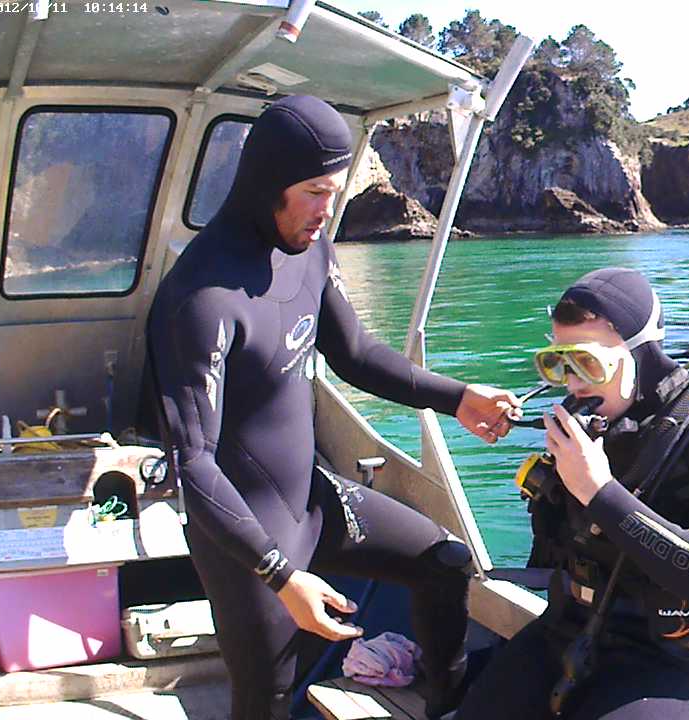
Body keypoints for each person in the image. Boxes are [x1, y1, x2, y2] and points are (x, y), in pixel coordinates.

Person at [147, 95, 517, 720]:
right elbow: (196, 463)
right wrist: (281, 576)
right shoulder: (201, 298)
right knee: (266, 700)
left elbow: (356, 354)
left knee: (445, 564)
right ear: (271, 185)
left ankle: (447, 706)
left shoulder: (311, 245)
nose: (328, 209)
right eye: (316, 192)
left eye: (335, 190)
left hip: (313, 500)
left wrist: (459, 397)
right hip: (246, 538)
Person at [455, 268, 689, 720]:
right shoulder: (590, 432)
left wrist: (599, 491)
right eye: (557, 363)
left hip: (665, 655)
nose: (572, 383)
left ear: (637, 354)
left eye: (587, 363)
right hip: (568, 630)